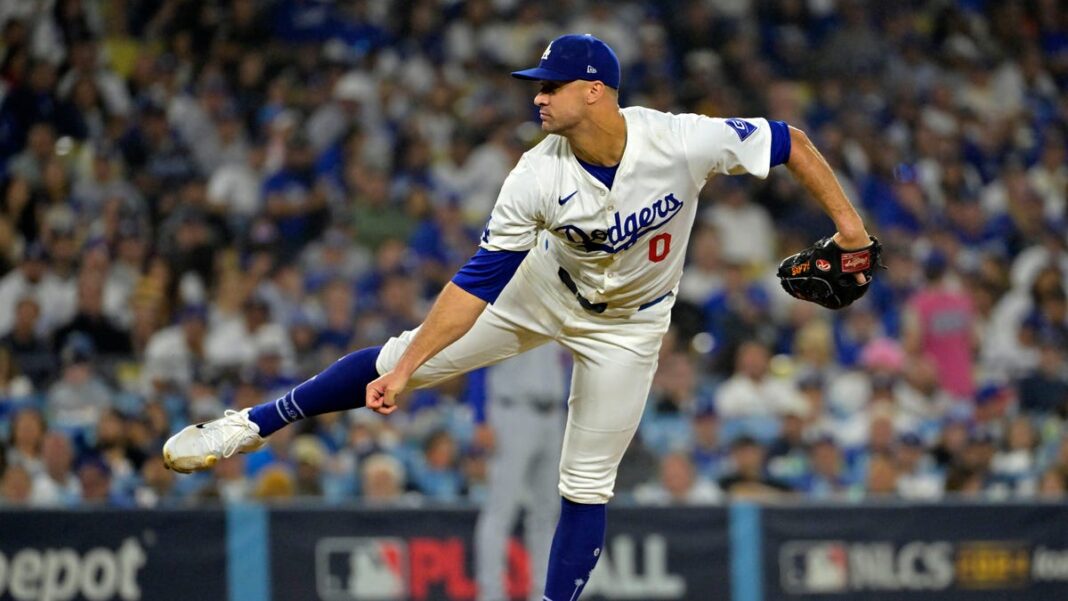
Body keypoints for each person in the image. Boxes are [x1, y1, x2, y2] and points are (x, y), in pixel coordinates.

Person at [163, 33, 872, 601]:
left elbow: (791, 142)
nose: (536, 96)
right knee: (394, 355)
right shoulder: (536, 173)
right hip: (544, 288)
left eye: (549, 85)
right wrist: (411, 370)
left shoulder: (679, 140)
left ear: (593, 90)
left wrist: (851, 233)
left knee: (587, 481)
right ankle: (248, 424)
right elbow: (476, 284)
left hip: (630, 323)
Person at [473, 343, 568, 601]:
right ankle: (491, 593)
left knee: (547, 511)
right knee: (500, 508)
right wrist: (480, 417)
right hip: (512, 411)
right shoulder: (503, 304)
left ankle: (544, 593)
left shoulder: (563, 306)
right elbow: (477, 363)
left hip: (554, 413)